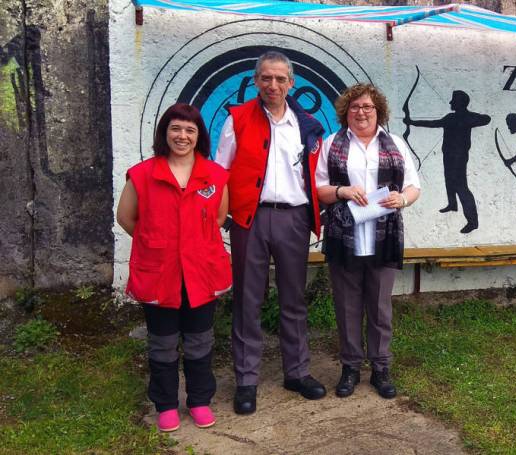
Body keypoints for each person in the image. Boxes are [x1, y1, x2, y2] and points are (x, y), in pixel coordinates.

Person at [215, 51, 326, 414]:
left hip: (294, 218)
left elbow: (315, 174)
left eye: (280, 79)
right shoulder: (237, 119)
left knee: (293, 298)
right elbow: (220, 171)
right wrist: (223, 217)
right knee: (248, 299)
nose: (273, 85)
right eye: (266, 78)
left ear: (291, 83)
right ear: (256, 81)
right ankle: (246, 380)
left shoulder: (307, 124)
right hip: (251, 218)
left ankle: (297, 372)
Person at [117, 103, 231, 432]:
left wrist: (190, 245)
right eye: (176, 129)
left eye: (189, 130)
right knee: (163, 343)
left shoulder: (215, 175)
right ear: (164, 133)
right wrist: (158, 243)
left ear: (199, 136)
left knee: (200, 340)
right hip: (159, 271)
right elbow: (126, 218)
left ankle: (199, 400)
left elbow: (218, 218)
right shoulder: (142, 174)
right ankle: (166, 404)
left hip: (200, 271)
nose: (182, 136)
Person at [315, 83, 421, 399]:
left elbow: (414, 186)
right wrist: (342, 191)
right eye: (355, 106)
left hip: (383, 238)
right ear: (346, 111)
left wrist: (402, 199)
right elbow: (319, 189)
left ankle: (380, 368)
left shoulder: (396, 144)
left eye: (368, 107)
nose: (361, 112)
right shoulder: (331, 144)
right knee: (347, 306)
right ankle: (350, 368)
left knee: (379, 307)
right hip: (344, 238)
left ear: (378, 111)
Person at [403, 90, 488, 233]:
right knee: (449, 179)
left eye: (453, 101)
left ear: (460, 103)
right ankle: (452, 204)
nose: (450, 103)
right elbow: (433, 123)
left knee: (461, 186)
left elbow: (487, 119)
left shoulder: (460, 118)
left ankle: (472, 221)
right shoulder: (451, 117)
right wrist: (412, 122)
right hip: (448, 154)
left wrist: (411, 122)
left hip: (459, 157)